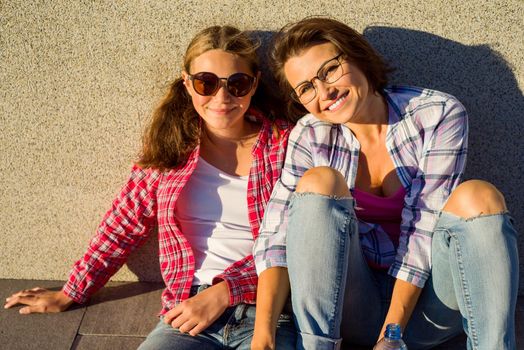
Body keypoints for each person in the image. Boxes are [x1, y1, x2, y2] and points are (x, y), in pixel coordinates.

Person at [4, 25, 297, 350]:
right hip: (187, 310)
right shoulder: (172, 146)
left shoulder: (286, 144)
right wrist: (72, 291)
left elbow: (297, 241)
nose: (221, 98)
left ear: (254, 83)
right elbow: (125, 222)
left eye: (237, 84)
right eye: (206, 83)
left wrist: (227, 289)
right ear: (187, 83)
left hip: (270, 310)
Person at [252, 17, 519, 350]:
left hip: (429, 308)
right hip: (350, 308)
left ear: (357, 56)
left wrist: (391, 335)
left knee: (480, 197)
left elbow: (423, 229)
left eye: (330, 70)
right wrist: (263, 335)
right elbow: (276, 237)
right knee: (319, 180)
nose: (325, 92)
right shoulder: (309, 135)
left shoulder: (436, 114)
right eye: (306, 88)